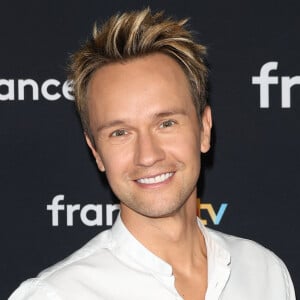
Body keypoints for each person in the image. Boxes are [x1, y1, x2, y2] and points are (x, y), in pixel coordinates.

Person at [9, 8, 296, 300]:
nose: (147, 155)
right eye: (120, 132)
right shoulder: (57, 295)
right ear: (95, 151)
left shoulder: (265, 273)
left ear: (204, 130)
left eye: (166, 123)